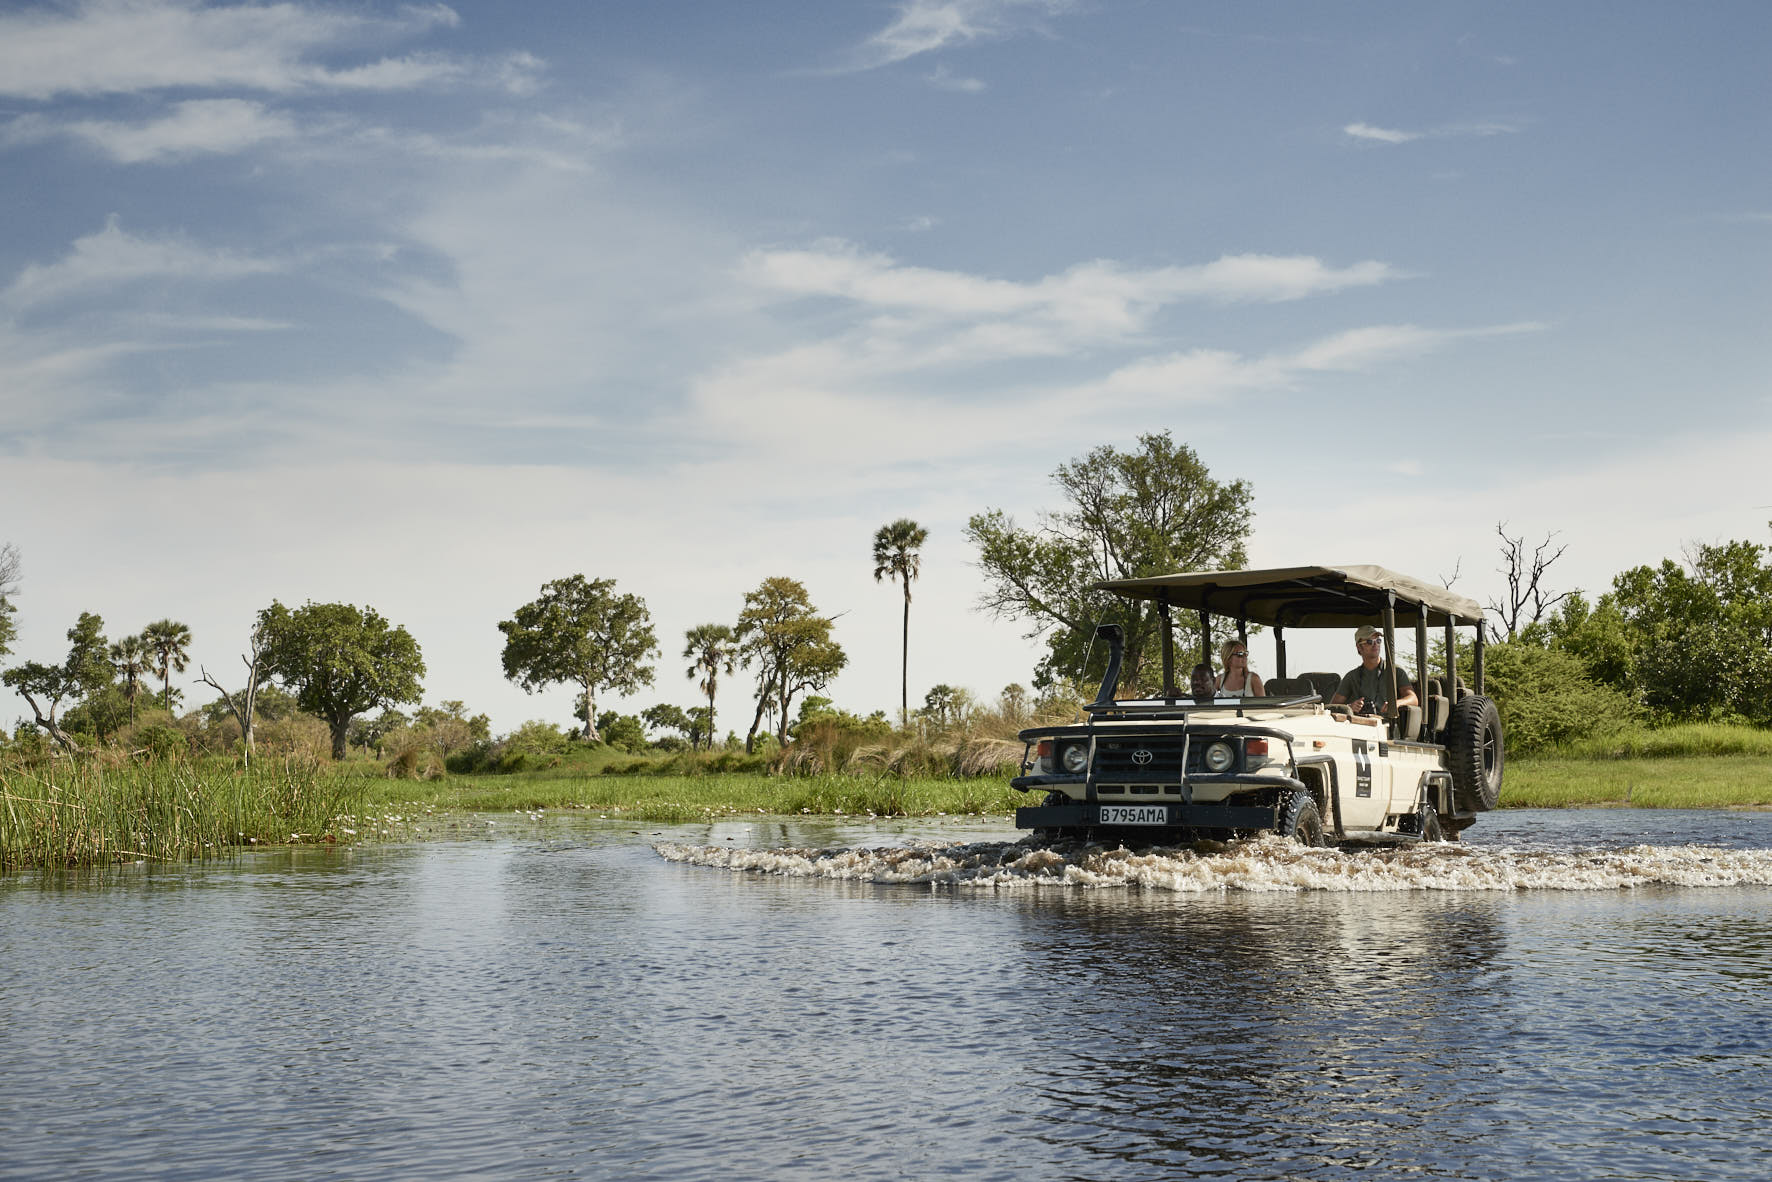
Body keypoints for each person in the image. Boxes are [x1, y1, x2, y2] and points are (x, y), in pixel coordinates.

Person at [1330, 624, 1418, 725]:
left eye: (1378, 641)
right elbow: (1332, 706)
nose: (1375, 644)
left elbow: (1413, 699)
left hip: (1388, 727)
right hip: (1360, 727)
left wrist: (1396, 703)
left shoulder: (1395, 671)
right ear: (1359, 647)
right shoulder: (1351, 676)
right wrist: (1349, 707)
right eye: (1369, 642)